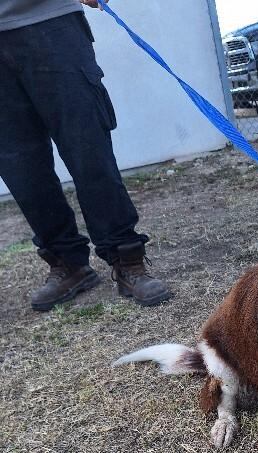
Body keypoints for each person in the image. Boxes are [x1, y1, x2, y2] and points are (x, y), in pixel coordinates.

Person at [0, 0, 171, 310]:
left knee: (88, 150)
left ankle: (126, 258)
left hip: (50, 22)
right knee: (21, 169)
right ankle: (68, 263)